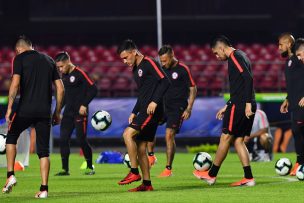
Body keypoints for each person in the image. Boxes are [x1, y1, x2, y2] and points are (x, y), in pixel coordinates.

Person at [2, 36, 64, 198]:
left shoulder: (19, 58)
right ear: (32, 46)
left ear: (19, 49)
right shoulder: (49, 60)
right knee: (44, 152)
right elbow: (61, 88)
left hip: (25, 109)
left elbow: (15, 84)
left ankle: (10, 175)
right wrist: (57, 112)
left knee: (11, 137)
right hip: (44, 112)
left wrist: (9, 108)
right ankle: (44, 189)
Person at [193, 35, 256, 187]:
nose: (216, 56)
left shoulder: (234, 56)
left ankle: (211, 174)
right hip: (243, 103)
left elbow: (248, 79)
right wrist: (228, 104)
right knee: (239, 141)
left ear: (221, 48)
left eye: (216, 53)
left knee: (225, 138)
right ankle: (248, 178)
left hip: (241, 105)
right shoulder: (242, 55)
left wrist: (246, 103)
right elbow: (240, 86)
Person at [117, 39, 169, 192]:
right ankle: (147, 184)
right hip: (144, 109)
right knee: (141, 147)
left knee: (127, 134)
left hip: (152, 111)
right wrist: (134, 111)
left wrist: (154, 101)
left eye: (126, 57)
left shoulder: (149, 63)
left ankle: (134, 172)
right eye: (122, 59)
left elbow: (165, 81)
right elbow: (142, 95)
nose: (125, 61)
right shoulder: (135, 70)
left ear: (134, 51)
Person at [155, 45, 197, 177]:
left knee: (169, 135)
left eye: (165, 60)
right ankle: (151, 156)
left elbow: (193, 88)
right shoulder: (161, 69)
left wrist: (189, 108)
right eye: (161, 61)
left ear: (172, 56)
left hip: (177, 107)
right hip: (163, 106)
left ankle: (168, 169)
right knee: (148, 127)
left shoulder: (183, 69)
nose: (163, 63)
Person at [54, 52, 97, 176]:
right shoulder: (64, 76)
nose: (60, 69)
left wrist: (84, 104)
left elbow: (94, 89)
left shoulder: (80, 73)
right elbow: (66, 96)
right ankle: (65, 169)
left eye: (61, 66)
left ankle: (90, 167)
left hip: (80, 113)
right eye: (58, 68)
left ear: (68, 62)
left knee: (81, 140)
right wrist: (58, 111)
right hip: (68, 113)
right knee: (63, 139)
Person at [279, 34, 304, 175]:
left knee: (297, 130)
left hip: (302, 103)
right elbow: (294, 84)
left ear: (288, 44)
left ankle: (299, 162)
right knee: (298, 132)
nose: (279, 48)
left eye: (281, 45)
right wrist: (287, 99)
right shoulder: (289, 62)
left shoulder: (299, 60)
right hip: (294, 103)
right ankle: (300, 162)